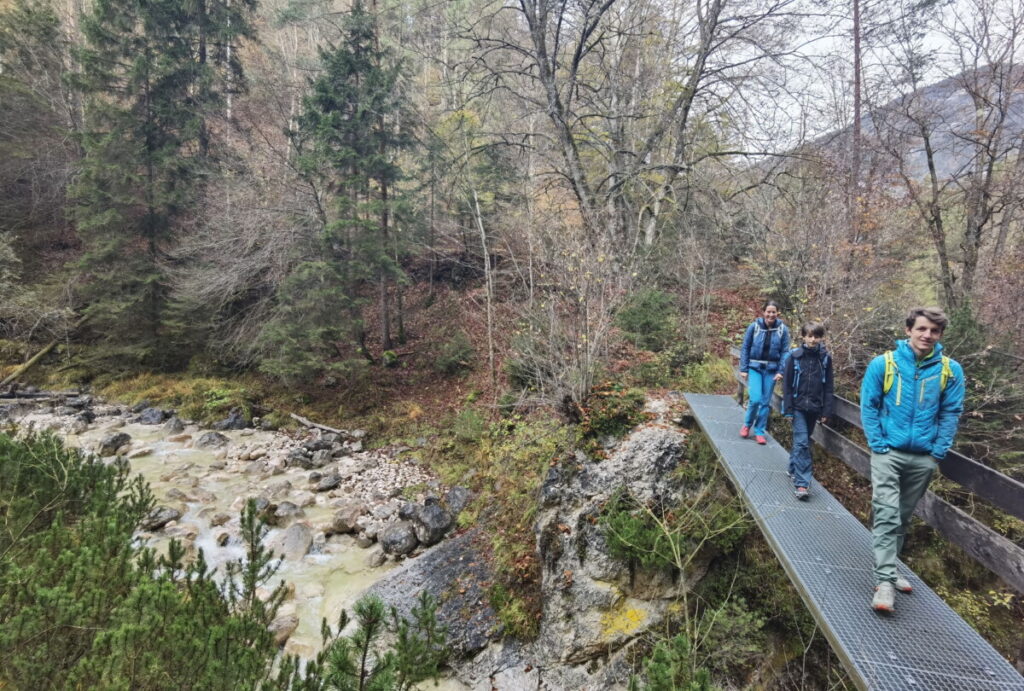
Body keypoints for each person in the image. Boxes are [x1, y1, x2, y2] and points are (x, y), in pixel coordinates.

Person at [860, 307, 965, 613]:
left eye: (933, 331)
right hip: (888, 453)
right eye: (921, 329)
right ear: (908, 330)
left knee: (903, 517)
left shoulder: (949, 370)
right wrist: (878, 444)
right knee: (887, 513)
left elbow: (950, 413)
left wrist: (937, 452)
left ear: (940, 335)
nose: (927, 335)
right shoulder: (885, 364)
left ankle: (890, 569)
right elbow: (869, 405)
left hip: (923, 457)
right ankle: (884, 583)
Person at [781, 321, 834, 500]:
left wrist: (826, 411)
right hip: (797, 407)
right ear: (803, 336)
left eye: (816, 336)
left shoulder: (825, 359)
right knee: (803, 443)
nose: (813, 340)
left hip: (815, 407)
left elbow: (829, 386)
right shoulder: (794, 357)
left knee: (803, 442)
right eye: (810, 336)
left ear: (821, 337)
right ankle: (802, 484)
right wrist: (787, 409)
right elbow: (787, 385)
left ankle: (792, 468)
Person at [739, 301, 791, 445]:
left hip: (772, 370)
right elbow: (745, 347)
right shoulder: (754, 327)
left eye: (774, 312)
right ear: (763, 312)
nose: (771, 314)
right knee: (755, 399)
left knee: (765, 402)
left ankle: (759, 431)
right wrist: (743, 368)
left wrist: (781, 371)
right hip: (755, 367)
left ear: (778, 313)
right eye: (768, 311)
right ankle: (747, 424)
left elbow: (784, 352)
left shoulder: (783, 329)